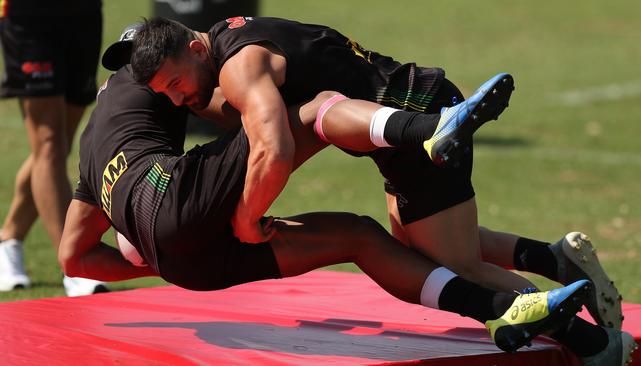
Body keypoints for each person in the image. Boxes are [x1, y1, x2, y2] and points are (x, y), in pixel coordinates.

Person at [59, 62, 612, 361]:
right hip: (175, 200)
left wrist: (159, 261)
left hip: (187, 264)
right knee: (312, 111)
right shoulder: (156, 78)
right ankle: (429, 127)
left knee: (359, 235)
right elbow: (249, 123)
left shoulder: (94, 152)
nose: (180, 97)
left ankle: (501, 308)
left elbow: (74, 257)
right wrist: (244, 217)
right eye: (171, 87)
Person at [129, 16, 624, 330]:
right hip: (412, 108)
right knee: (411, 243)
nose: (177, 100)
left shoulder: (237, 67)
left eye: (176, 84)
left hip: (413, 118)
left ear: (196, 50)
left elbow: (273, 151)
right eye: (164, 94)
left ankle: (581, 335)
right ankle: (556, 260)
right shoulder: (233, 38)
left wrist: (246, 218)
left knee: (452, 265)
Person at [0, 0, 108, 296]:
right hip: (29, 17)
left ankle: (9, 239)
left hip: (83, 14)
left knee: (58, 146)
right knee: (49, 143)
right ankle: (74, 264)